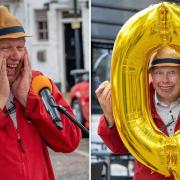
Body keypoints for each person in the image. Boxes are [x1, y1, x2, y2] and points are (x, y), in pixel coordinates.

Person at [0, 6, 81, 180]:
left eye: (20, 47)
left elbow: (70, 141)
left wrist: (29, 101)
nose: (16, 55)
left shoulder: (38, 84)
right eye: (5, 48)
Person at [96, 45, 180, 180]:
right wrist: (109, 117)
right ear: (151, 75)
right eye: (159, 72)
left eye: (171, 72)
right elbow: (118, 147)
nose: (165, 80)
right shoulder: (136, 102)